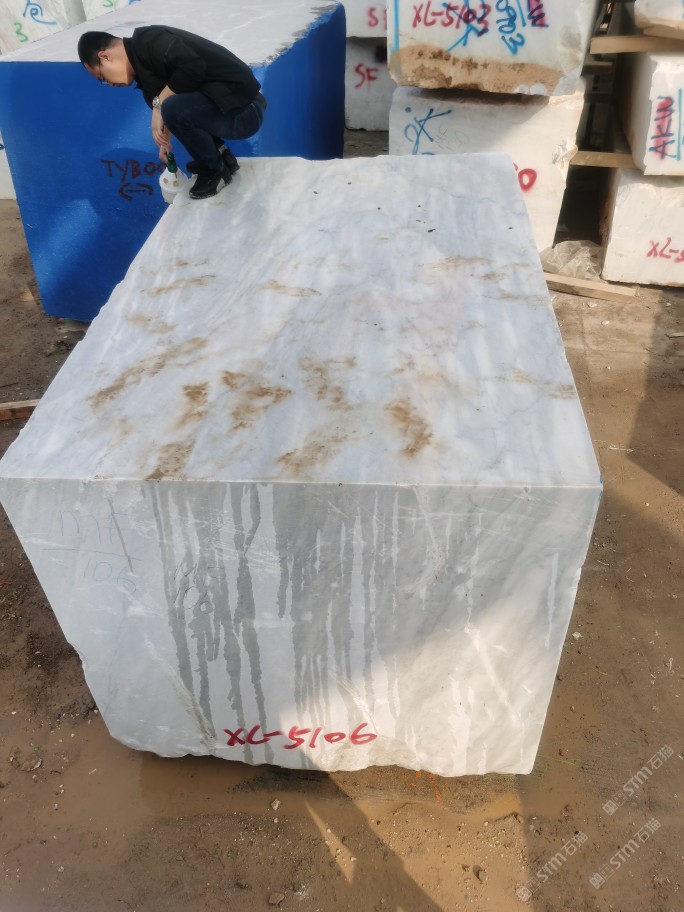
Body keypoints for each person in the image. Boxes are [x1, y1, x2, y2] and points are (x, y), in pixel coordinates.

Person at [77, 26, 266, 200]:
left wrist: (159, 105)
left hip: (246, 110)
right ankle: (222, 157)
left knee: (170, 107)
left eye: (102, 78)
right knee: (171, 108)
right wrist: (164, 139)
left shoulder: (150, 41)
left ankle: (215, 171)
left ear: (105, 56)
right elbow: (179, 109)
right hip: (231, 112)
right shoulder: (144, 76)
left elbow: (193, 67)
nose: (109, 84)